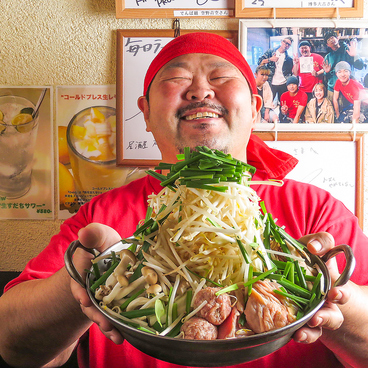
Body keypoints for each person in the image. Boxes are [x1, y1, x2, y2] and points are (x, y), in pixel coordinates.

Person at [0, 32, 367, 368]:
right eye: (177, 78)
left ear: (255, 107)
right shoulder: (103, 216)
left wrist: (332, 298)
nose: (200, 90)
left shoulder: (314, 209)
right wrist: (83, 282)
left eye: (221, 77)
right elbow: (14, 348)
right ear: (144, 112)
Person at [322, 31, 360, 101]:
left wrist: (355, 56)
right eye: (328, 40)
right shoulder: (328, 57)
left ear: (337, 38)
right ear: (327, 44)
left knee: (348, 110)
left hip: (347, 89)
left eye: (332, 37)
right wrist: (326, 72)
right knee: (332, 110)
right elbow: (326, 77)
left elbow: (359, 66)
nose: (331, 40)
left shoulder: (348, 51)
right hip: (332, 90)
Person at [258, 36, 294, 104]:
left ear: (289, 46)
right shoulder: (271, 52)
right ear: (281, 42)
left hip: (283, 83)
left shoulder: (289, 59)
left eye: (288, 44)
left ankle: (281, 115)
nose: (286, 45)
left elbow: (290, 73)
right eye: (285, 42)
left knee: (284, 104)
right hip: (271, 82)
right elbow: (259, 61)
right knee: (267, 103)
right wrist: (270, 59)